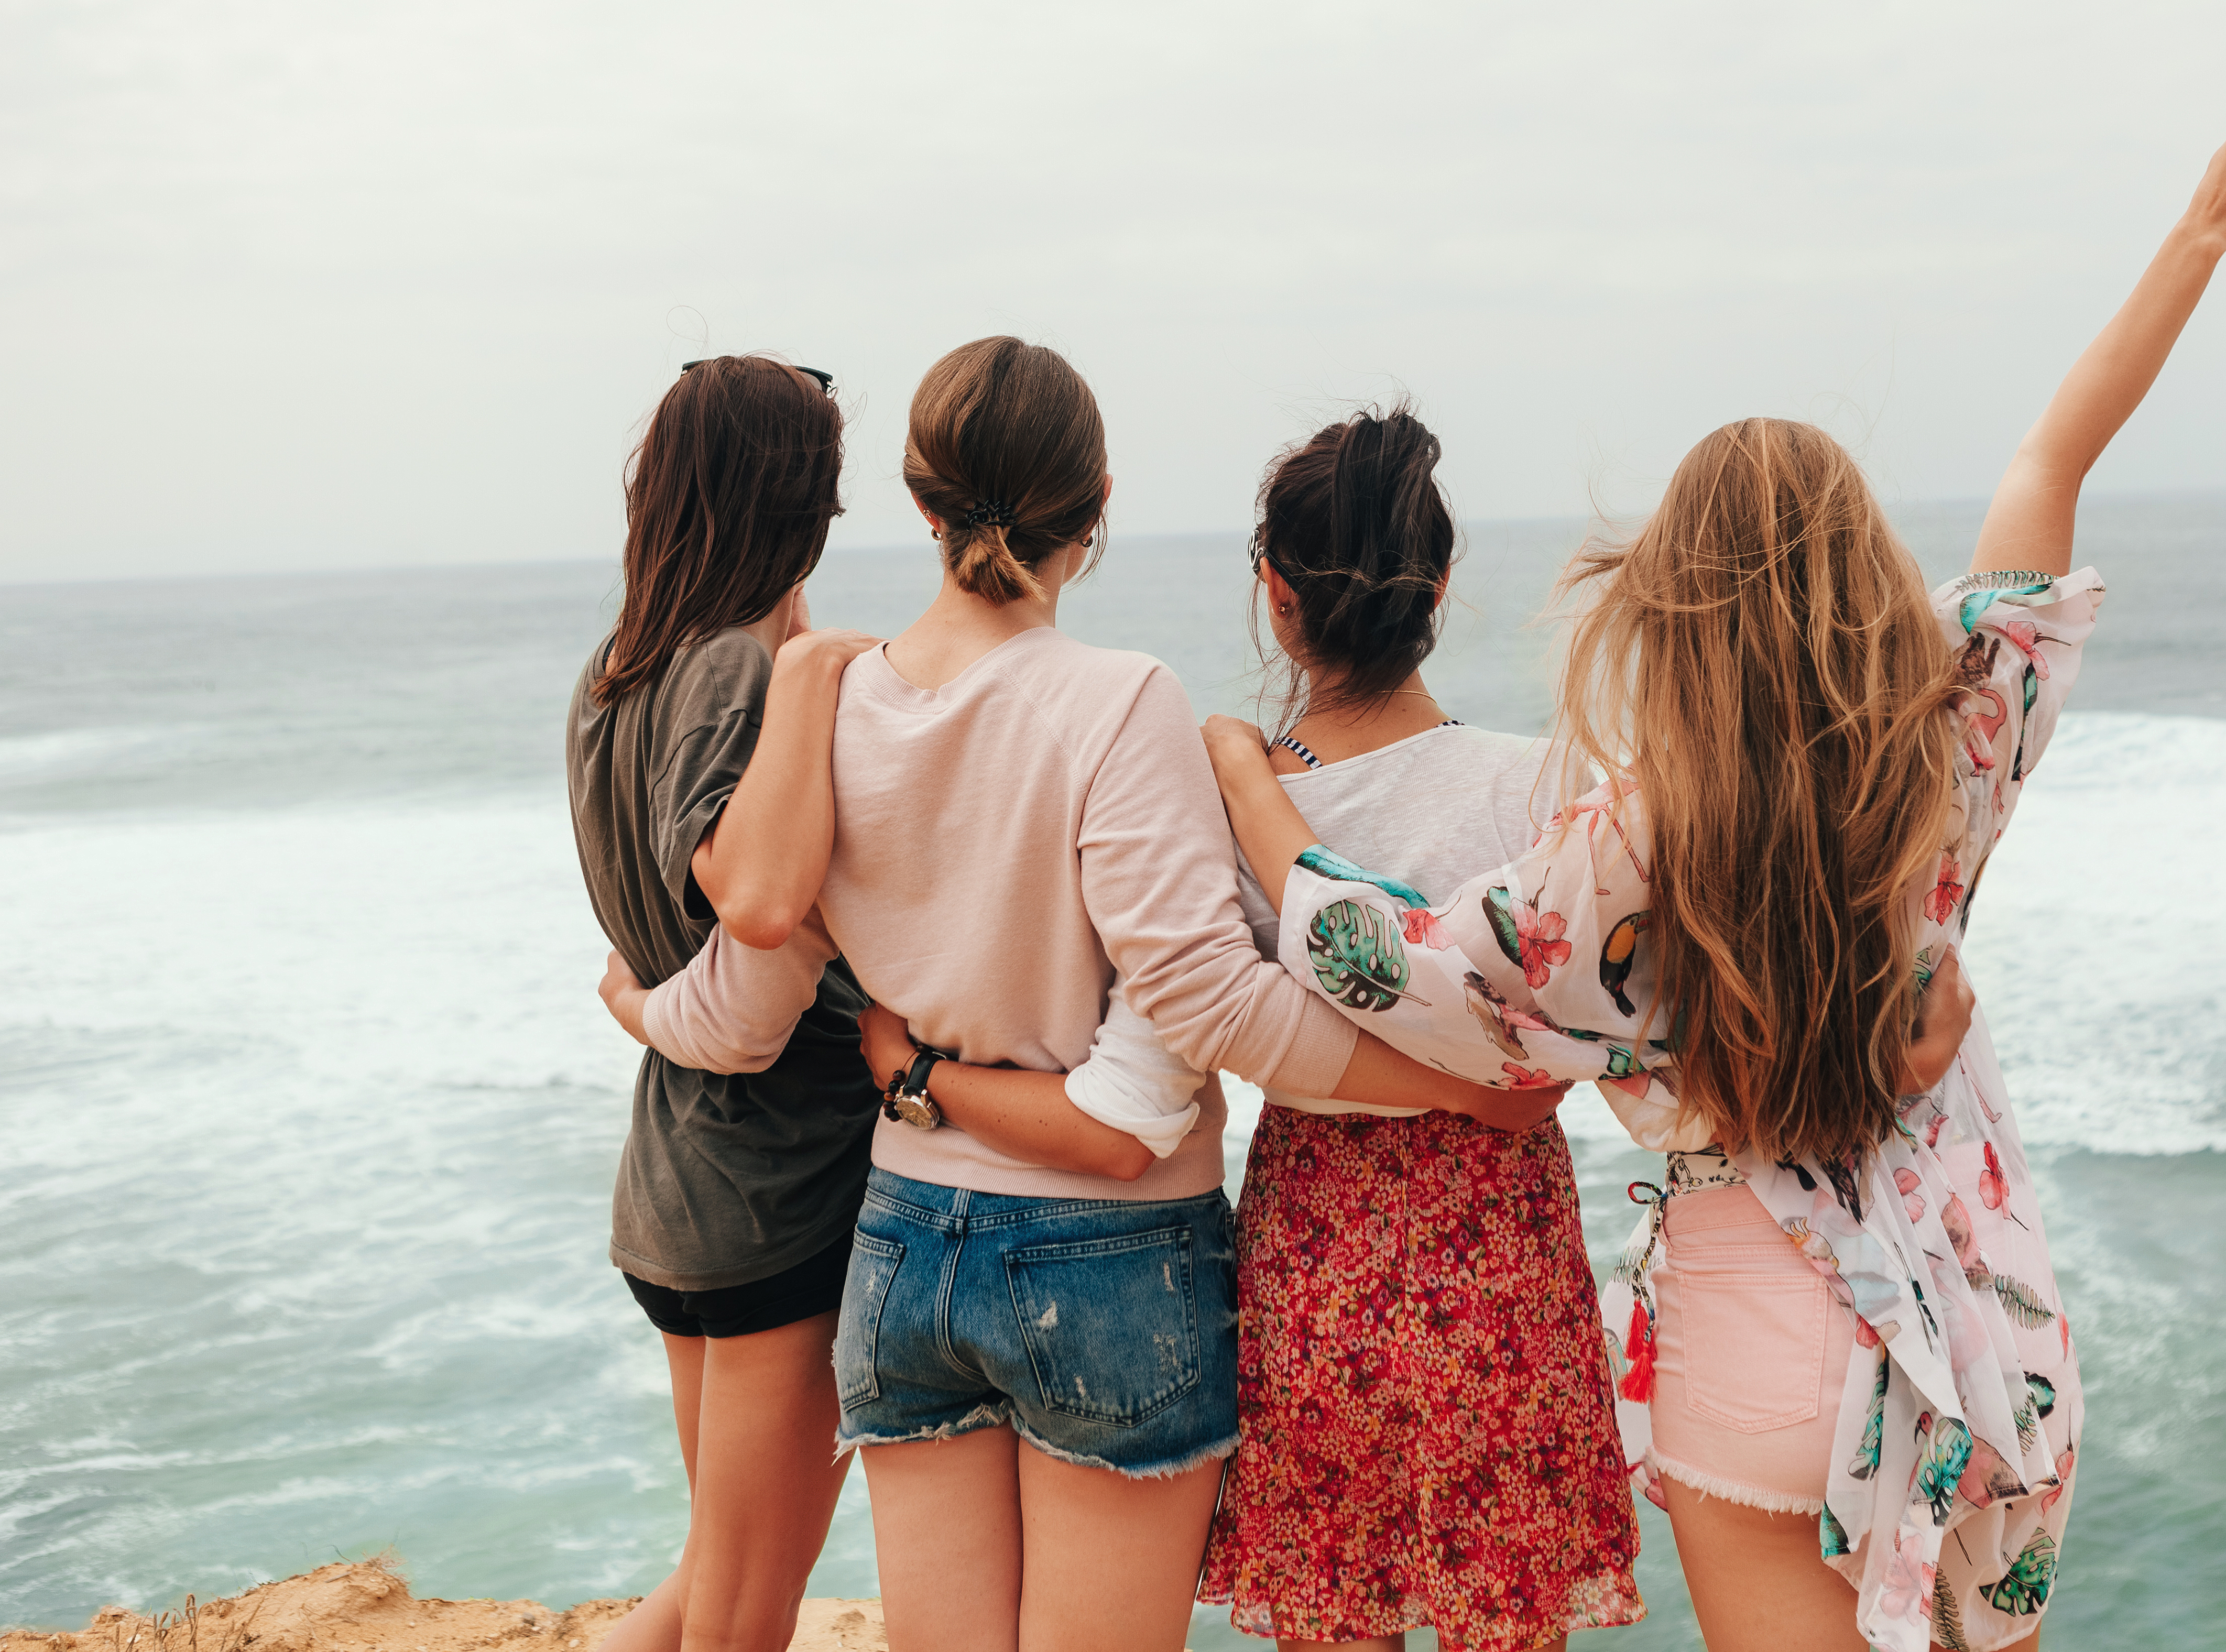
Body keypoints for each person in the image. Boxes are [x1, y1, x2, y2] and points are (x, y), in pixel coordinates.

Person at [1203, 49, 2226, 1652]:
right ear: (1863, 559)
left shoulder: (1627, 843)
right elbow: (2050, 465)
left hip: (1742, 1329)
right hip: (1947, 1326)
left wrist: (1253, 790)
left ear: (1673, 601)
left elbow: (1389, 957)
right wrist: (2196, 241)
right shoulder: (1946, 743)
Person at [601, 337, 1563, 1652]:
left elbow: (749, 995)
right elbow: (1204, 1009)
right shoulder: (1124, 703)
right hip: (1105, 1257)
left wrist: (645, 1010)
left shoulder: (826, 703)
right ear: (1098, 503)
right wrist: (1453, 1084)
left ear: (921, 501)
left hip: (902, 1241)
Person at [1194, 409, 1647, 1651]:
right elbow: (1549, 1052)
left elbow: (1217, 1018)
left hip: (1315, 1241)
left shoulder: (1233, 799)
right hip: (1496, 1237)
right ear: (1440, 588)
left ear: (1275, 595)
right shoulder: (1537, 784)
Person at [563, 354, 885, 1652]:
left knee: (716, 1575)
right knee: (748, 1611)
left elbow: (655, 917)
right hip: (782, 1182)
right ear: (792, 502)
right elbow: (744, 895)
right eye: (827, 489)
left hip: (681, 1177)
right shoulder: (738, 673)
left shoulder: (614, 671)